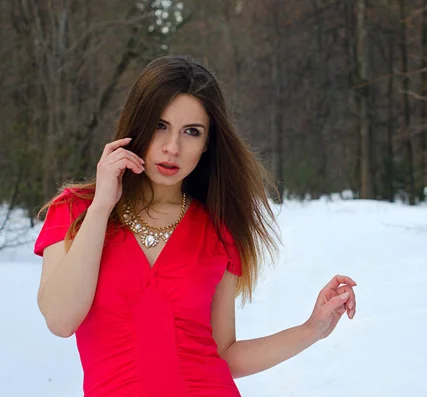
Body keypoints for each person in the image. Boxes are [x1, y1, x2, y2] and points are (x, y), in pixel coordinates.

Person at [33, 54, 357, 397]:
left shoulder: (218, 229)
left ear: (206, 145)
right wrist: (102, 207)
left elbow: (223, 354)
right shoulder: (76, 209)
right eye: (160, 125)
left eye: (191, 132)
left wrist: (312, 330)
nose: (172, 148)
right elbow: (60, 319)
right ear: (137, 124)